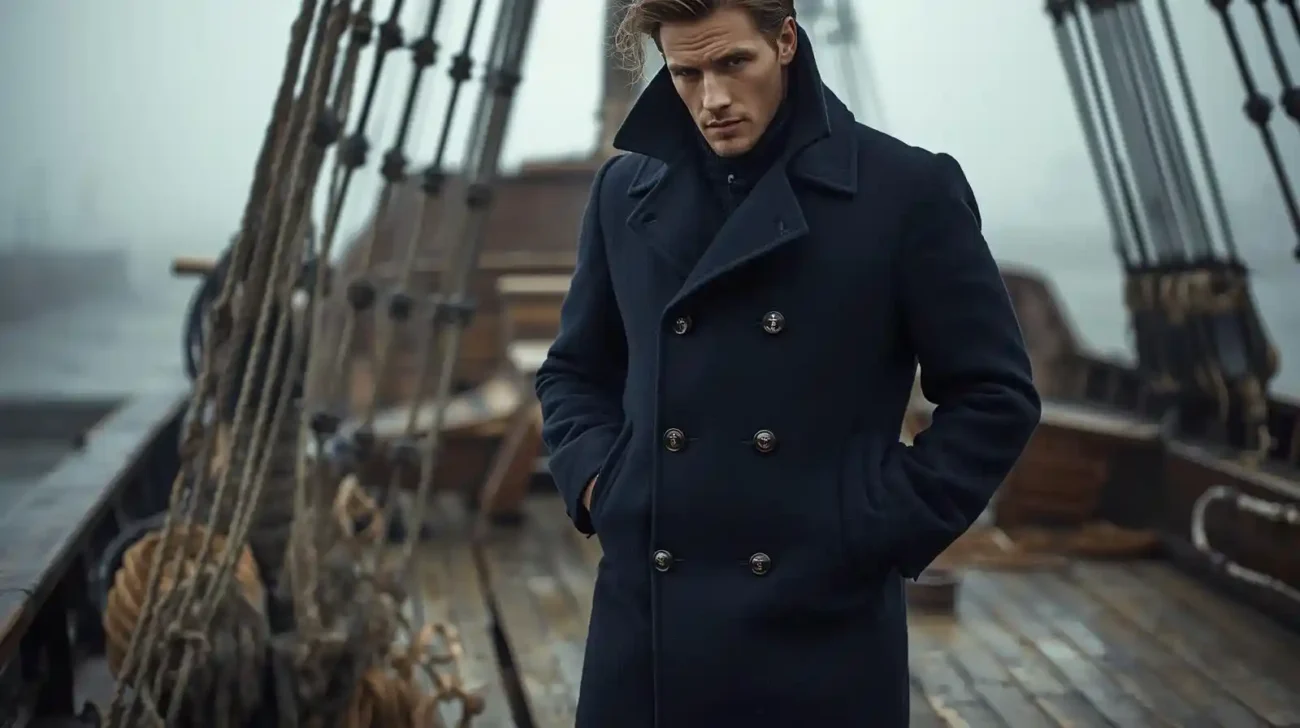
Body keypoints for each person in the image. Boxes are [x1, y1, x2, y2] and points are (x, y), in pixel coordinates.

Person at [534, 0, 1042, 725]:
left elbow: (995, 395)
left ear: (785, 41)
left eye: (733, 63)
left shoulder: (904, 192)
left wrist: (873, 521)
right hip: (646, 630)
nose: (713, 98)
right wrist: (602, 486)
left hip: (819, 628)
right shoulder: (624, 193)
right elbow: (574, 373)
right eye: (686, 73)